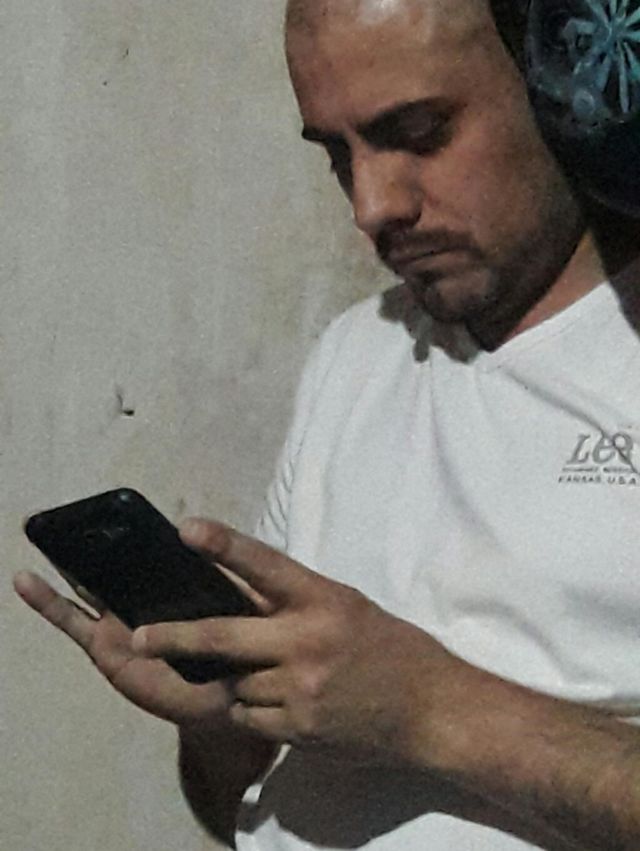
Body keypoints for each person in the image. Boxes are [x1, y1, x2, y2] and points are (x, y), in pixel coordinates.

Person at [14, 0, 640, 848]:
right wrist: (222, 722)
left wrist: (428, 706)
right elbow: (246, 804)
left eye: (418, 134)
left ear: (562, 94)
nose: (371, 207)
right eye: (338, 157)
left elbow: (401, 708)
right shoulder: (357, 351)